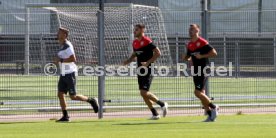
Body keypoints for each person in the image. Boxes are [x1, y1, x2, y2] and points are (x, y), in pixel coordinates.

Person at [123, 24, 168, 120]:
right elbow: (135, 54)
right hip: (140, 70)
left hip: (149, 69)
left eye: (137, 30)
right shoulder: (135, 42)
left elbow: (158, 53)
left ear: (142, 31)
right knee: (143, 93)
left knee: (144, 92)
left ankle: (162, 104)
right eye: (134, 30)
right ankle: (155, 114)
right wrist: (128, 60)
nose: (134, 31)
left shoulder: (147, 41)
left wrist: (147, 63)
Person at [55, 27, 99, 122]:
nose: (58, 34)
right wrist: (57, 60)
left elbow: (73, 59)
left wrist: (61, 60)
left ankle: (91, 100)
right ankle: (65, 116)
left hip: (70, 73)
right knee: (60, 94)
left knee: (73, 96)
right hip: (63, 74)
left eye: (60, 32)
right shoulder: (62, 45)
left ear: (64, 35)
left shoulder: (67, 45)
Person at [183, 24, 219, 122]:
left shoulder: (202, 42)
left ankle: (214, 107)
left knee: (197, 92)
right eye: (189, 29)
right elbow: (188, 57)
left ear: (197, 30)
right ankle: (210, 115)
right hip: (196, 70)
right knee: (201, 93)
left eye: (192, 29)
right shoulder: (190, 44)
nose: (190, 31)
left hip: (203, 69)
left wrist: (202, 56)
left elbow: (214, 53)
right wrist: (186, 57)